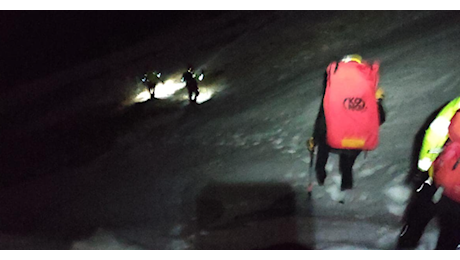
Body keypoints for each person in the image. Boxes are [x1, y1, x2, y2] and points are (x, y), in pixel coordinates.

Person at [309, 54, 386, 191]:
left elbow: (323, 118)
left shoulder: (334, 91)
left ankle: (321, 175)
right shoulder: (368, 92)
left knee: (323, 144)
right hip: (356, 143)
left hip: (334, 141)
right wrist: (377, 102)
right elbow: (380, 119)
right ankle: (346, 188)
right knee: (347, 165)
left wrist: (315, 138)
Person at [397, 96, 460, 250]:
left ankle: (406, 244)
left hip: (441, 175)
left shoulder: (457, 104)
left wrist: (425, 165)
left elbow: (435, 133)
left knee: (419, 215)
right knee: (451, 232)